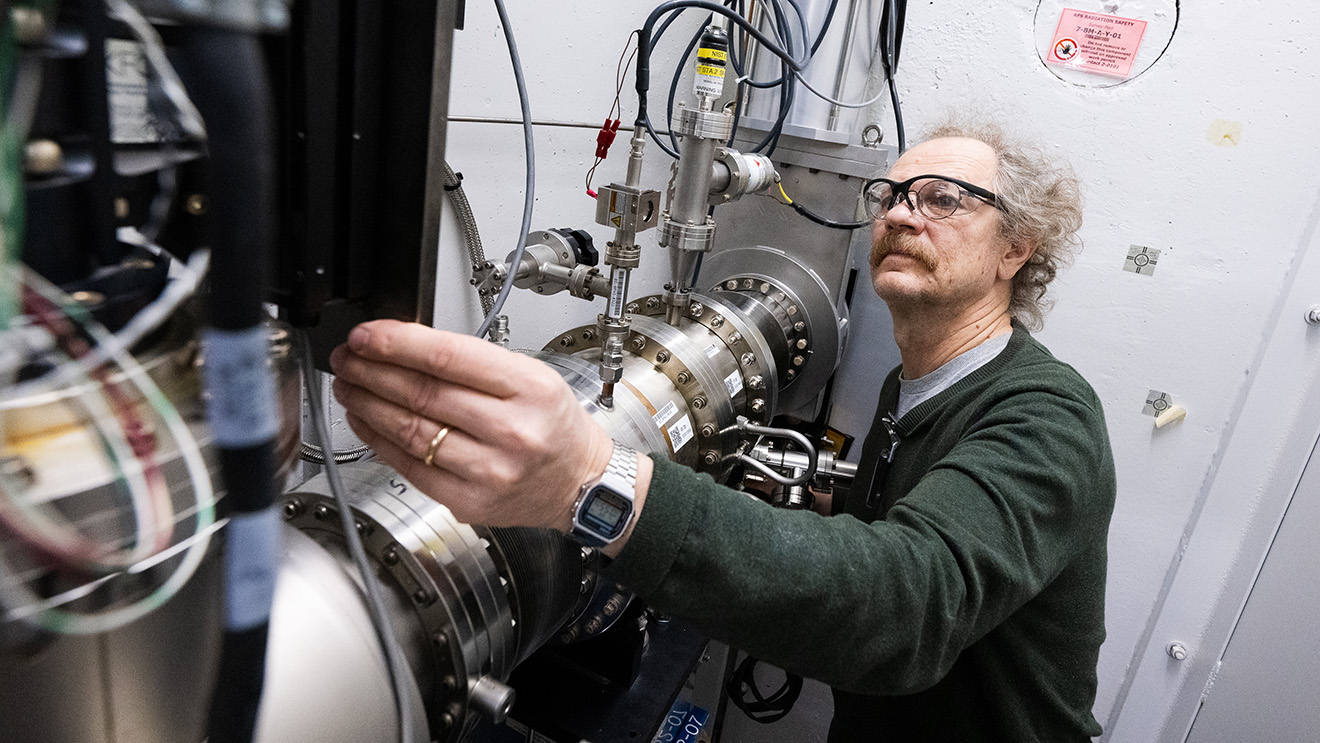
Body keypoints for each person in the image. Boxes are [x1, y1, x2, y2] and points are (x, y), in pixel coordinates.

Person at [329, 119, 1116, 742]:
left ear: (1018, 247)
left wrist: (588, 479)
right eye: (893, 194)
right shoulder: (908, 387)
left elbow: (905, 607)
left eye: (942, 198)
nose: (903, 212)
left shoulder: (1045, 416)